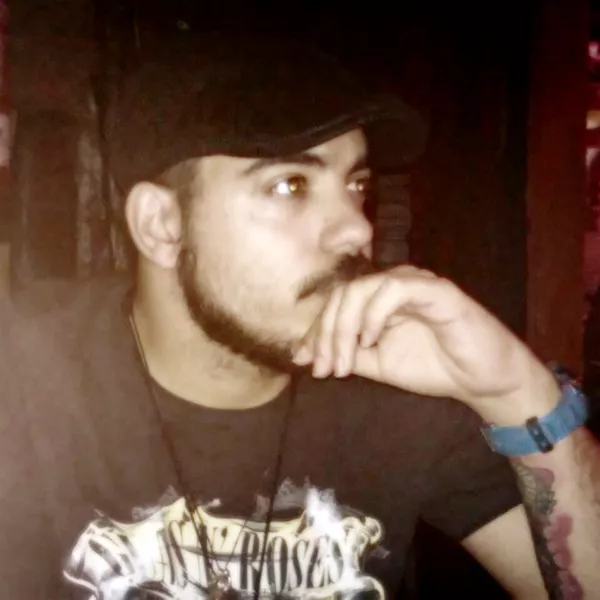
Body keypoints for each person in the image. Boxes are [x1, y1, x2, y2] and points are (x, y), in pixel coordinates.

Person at [2, 35, 598, 599]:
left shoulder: (396, 382)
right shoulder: (25, 384)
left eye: (356, 185)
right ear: (162, 225)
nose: (357, 229)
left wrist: (517, 391)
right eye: (289, 185)